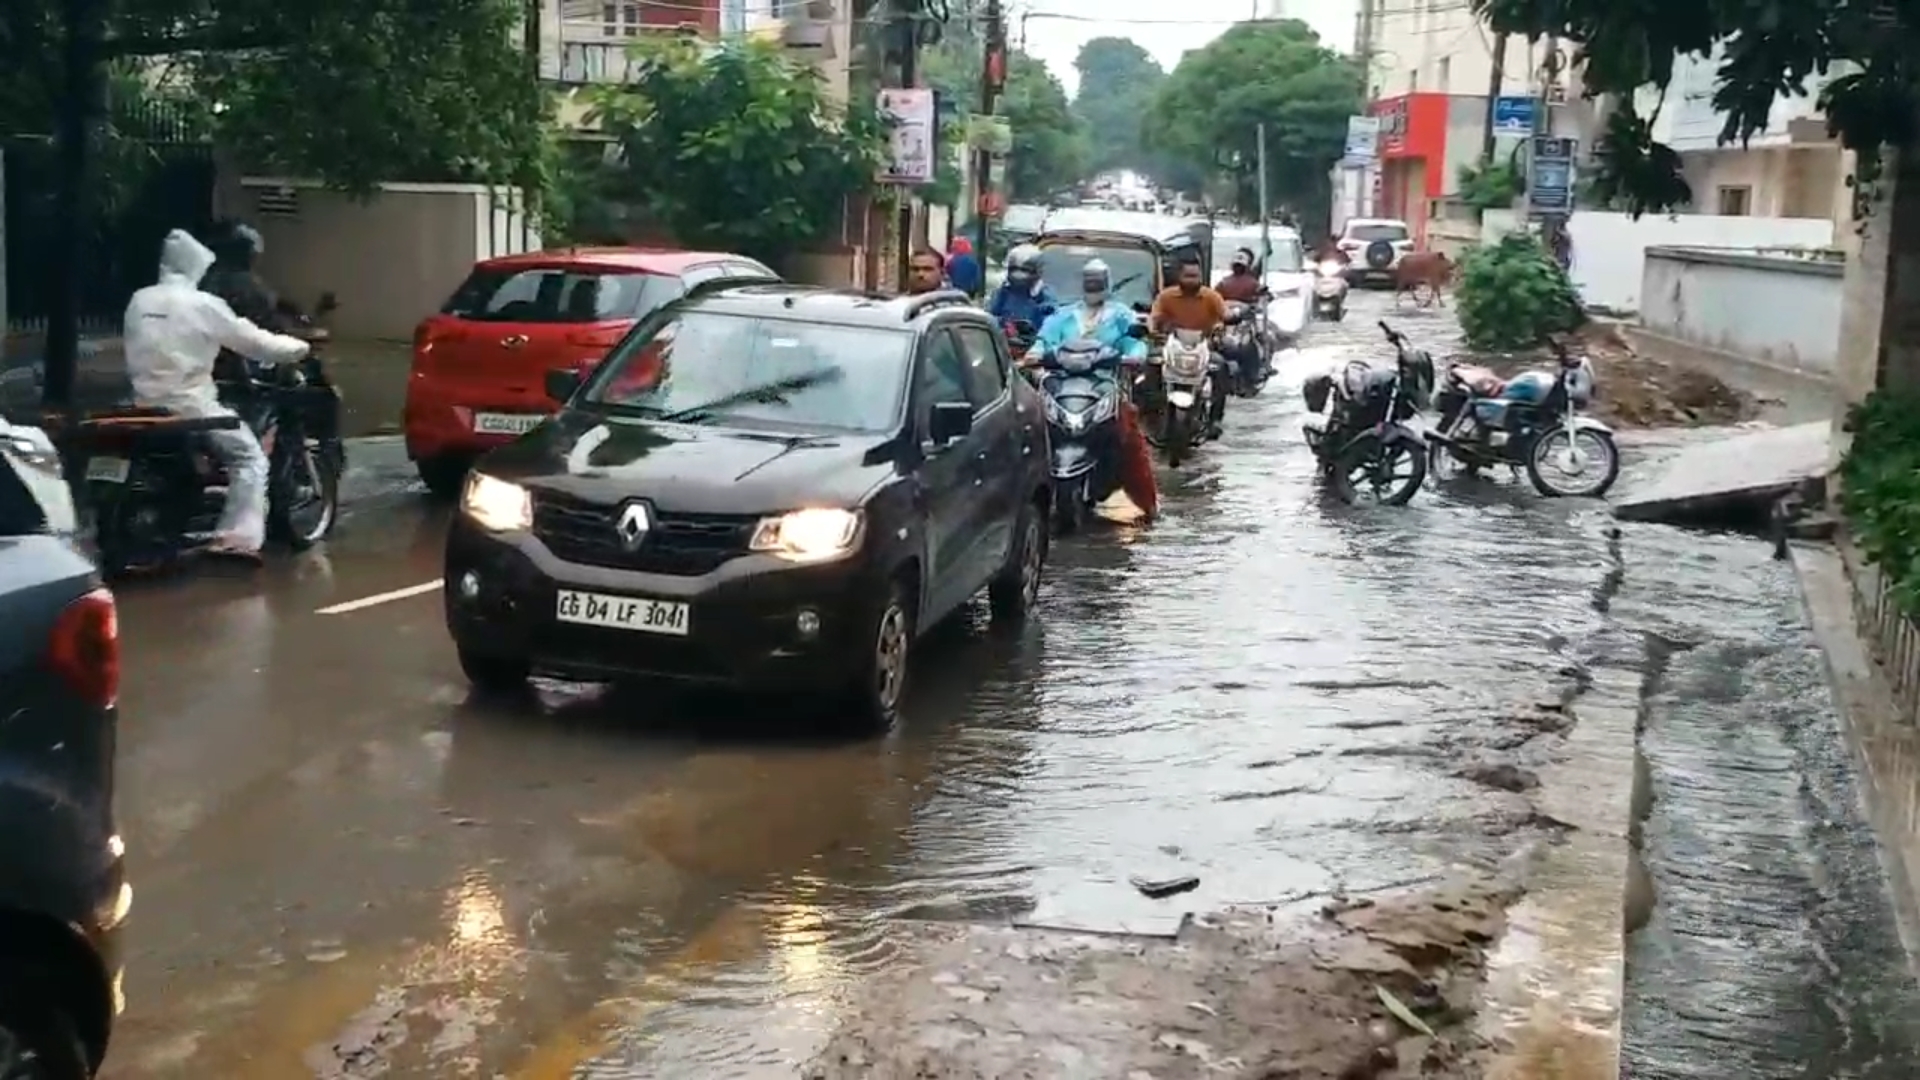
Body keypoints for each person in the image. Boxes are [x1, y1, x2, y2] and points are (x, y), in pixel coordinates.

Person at [123, 229, 313, 561]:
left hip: (141, 403)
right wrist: (300, 347)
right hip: (190, 405)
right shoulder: (204, 305)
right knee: (249, 459)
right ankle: (237, 538)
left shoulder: (140, 299)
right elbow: (254, 342)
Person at [1030, 259, 1158, 519]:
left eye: (1098, 280)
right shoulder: (1063, 315)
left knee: (1131, 441)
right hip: (1062, 385)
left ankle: (1149, 505)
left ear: (1106, 281)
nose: (1093, 285)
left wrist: (1134, 355)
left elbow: (1134, 342)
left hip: (1104, 386)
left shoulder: (1121, 315)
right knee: (1028, 430)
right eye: (1089, 280)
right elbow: (1044, 341)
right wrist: (1035, 353)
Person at [1149, 255, 1230, 439]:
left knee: (1221, 367)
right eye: (1188, 276)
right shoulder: (1166, 296)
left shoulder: (1211, 297)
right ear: (1179, 276)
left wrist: (1230, 318)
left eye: (1195, 276)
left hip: (1202, 347)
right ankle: (1150, 412)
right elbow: (1154, 316)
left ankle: (1215, 419)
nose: (1191, 280)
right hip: (1172, 347)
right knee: (1150, 363)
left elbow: (1225, 313)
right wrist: (1152, 330)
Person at [986, 244, 1058, 330]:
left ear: (1037, 271)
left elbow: (1051, 322)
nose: (1018, 275)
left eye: (1025, 270)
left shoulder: (1044, 294)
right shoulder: (1003, 292)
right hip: (1004, 339)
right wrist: (1005, 323)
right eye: (1014, 269)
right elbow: (989, 317)